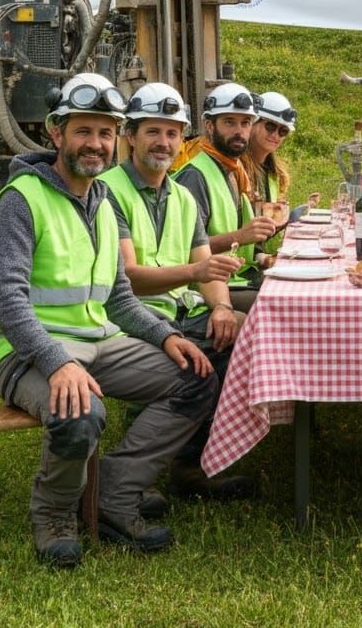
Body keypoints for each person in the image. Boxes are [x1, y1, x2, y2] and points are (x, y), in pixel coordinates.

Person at [0, 72, 218, 569]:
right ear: (55, 133)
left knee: (197, 380)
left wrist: (166, 335)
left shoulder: (101, 202)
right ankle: (55, 517)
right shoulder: (22, 200)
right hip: (20, 350)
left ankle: (113, 494)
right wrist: (56, 362)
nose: (96, 144)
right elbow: (6, 301)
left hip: (96, 341)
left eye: (105, 133)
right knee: (80, 413)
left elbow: (119, 297)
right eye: (83, 131)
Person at [98, 82, 252, 504]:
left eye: (172, 133)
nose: (164, 142)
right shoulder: (108, 191)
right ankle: (146, 473)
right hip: (130, 316)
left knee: (243, 334)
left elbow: (208, 269)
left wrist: (221, 305)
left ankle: (196, 462)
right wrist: (198, 271)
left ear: (183, 138)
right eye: (153, 131)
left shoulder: (181, 195)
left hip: (178, 311)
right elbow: (126, 278)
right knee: (194, 365)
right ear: (130, 135)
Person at [173, 83, 277, 312]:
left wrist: (262, 258)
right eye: (229, 122)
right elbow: (185, 251)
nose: (239, 131)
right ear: (209, 126)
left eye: (245, 123)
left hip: (238, 277)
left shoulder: (234, 170)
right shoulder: (195, 177)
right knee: (282, 306)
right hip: (203, 290)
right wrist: (241, 236)